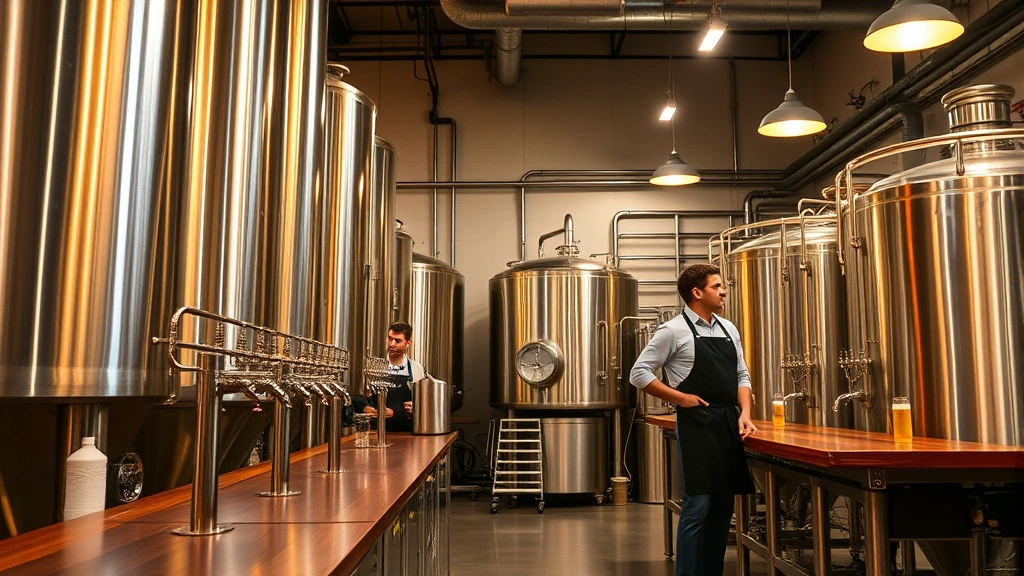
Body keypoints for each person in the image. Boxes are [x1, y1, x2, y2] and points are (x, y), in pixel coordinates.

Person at [629, 263, 757, 576]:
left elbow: (741, 374)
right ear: (696, 293)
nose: (723, 291)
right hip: (697, 425)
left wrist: (746, 414)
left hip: (728, 424)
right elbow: (639, 373)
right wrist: (680, 398)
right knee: (698, 507)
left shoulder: (729, 329)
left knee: (722, 509)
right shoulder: (672, 331)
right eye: (716, 286)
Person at [354, 321, 429, 432]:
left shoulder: (416, 369)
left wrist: (412, 408)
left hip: (405, 433)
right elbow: (355, 396)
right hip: (375, 431)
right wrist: (366, 408)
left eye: (397, 341)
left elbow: (424, 403)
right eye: (390, 339)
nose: (392, 344)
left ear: (408, 343)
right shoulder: (374, 366)